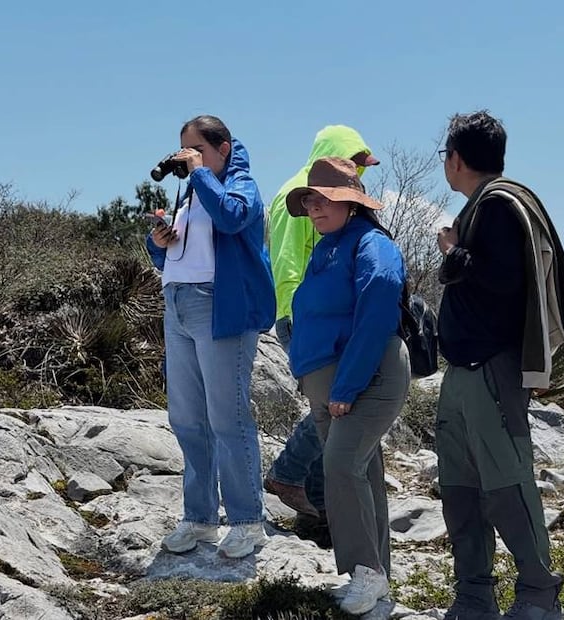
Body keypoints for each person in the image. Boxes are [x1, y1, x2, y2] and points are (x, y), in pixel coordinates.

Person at [435, 111, 564, 620]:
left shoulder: (500, 207)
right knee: (461, 491)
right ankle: (474, 596)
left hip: (491, 370)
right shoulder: (485, 206)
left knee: (507, 485)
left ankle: (537, 593)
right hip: (464, 373)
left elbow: (503, 284)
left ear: (456, 159)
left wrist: (454, 251)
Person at [146, 115, 276, 559]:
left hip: (220, 308)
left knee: (227, 417)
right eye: (183, 151)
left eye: (195, 150)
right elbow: (174, 254)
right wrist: (159, 239)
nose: (187, 159)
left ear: (222, 148)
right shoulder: (192, 191)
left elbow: (234, 218)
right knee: (186, 417)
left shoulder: (241, 185)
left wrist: (200, 173)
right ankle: (199, 517)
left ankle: (246, 521)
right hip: (178, 306)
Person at [286, 157, 410, 615]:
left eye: (324, 201)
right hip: (328, 384)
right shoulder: (328, 247)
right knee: (363, 474)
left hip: (366, 378)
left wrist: (346, 386)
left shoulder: (371, 244)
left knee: (341, 467)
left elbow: (378, 303)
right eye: (310, 201)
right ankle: (377, 576)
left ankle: (366, 571)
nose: (315, 209)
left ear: (351, 204)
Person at [264, 126, 380, 526]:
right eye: (356, 162)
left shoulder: (330, 198)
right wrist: (296, 314)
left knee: (331, 408)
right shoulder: (298, 197)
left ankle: (317, 515)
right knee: (331, 408)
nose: (360, 173)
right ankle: (287, 472)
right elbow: (286, 261)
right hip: (302, 316)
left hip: (322, 316)